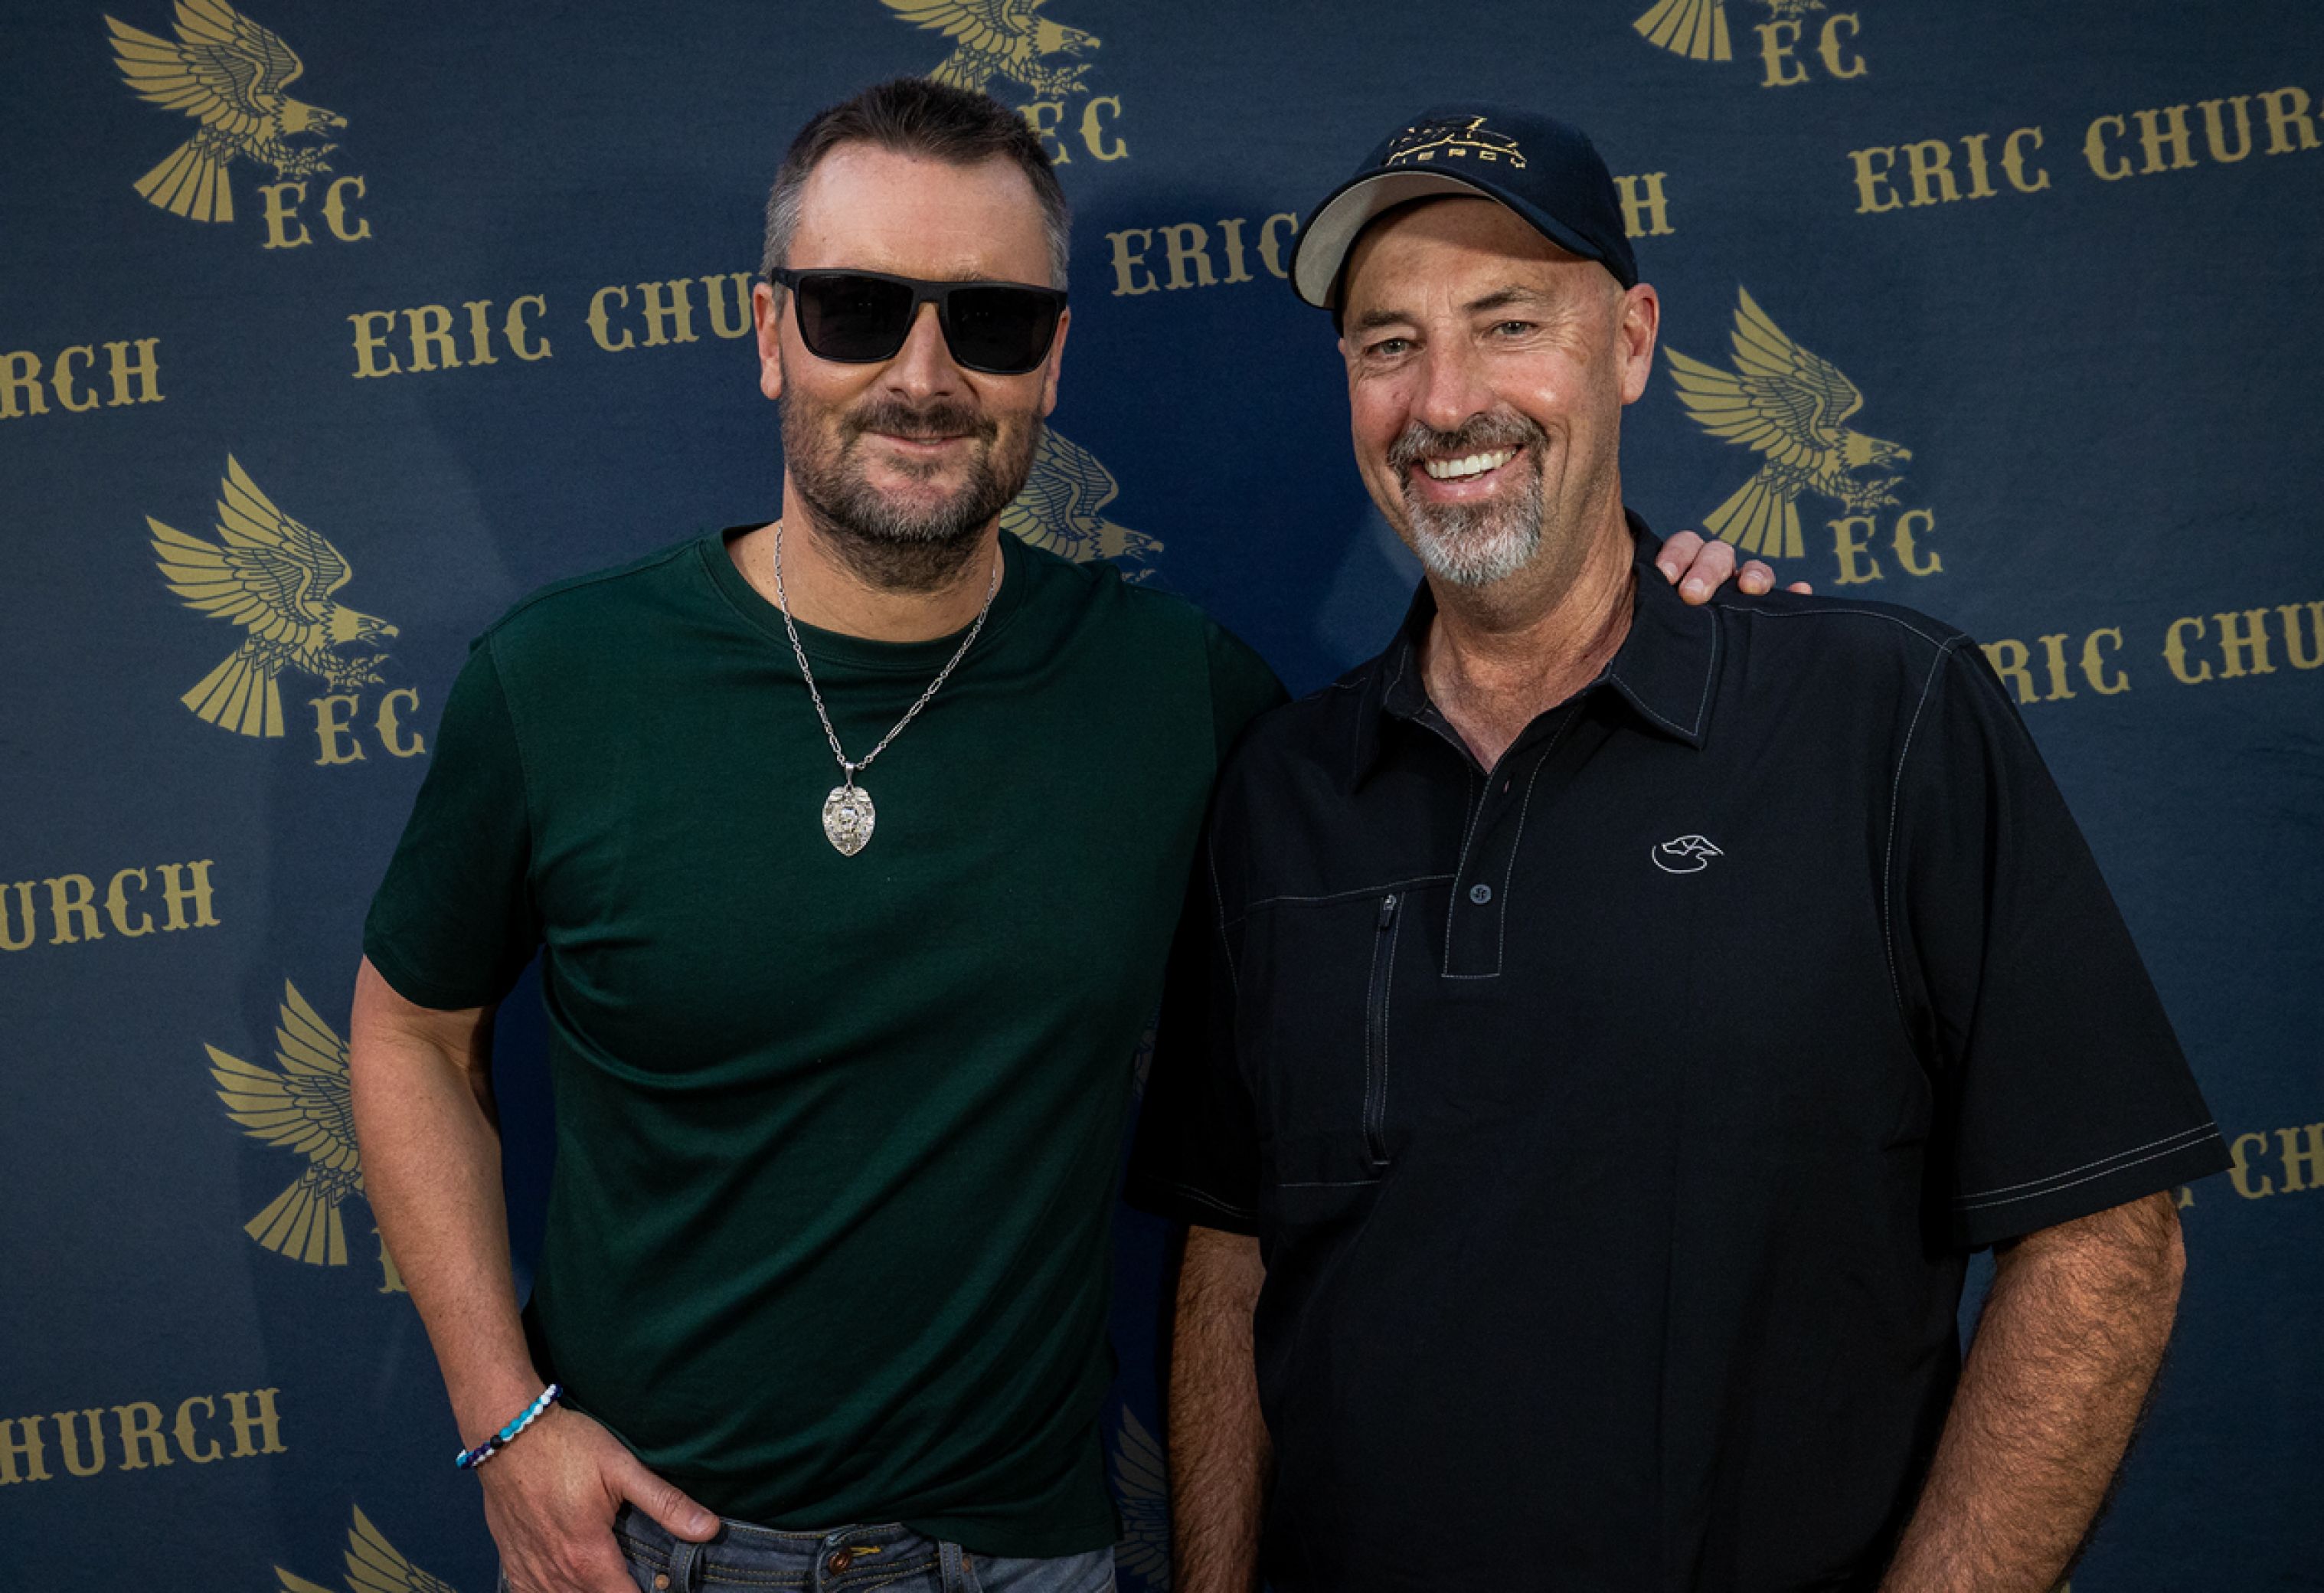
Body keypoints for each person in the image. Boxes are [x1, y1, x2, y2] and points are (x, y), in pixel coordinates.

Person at [348, 80, 1769, 1593]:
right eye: (855, 310)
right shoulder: (561, 680)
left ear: (1054, 359)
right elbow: (408, 1033)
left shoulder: (1184, 696)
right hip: (640, 1554)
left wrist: (1656, 614)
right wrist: (503, 1418)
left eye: (992, 322)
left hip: (1025, 1557)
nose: (924, 376)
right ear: (770, 333)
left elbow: (1476, 782)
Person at [1130, 104, 2231, 1593]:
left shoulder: (1882, 716)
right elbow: (1230, 1262)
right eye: (1390, 343)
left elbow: (2108, 1239)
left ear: (1633, 344)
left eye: (1509, 323)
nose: (1445, 399)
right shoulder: (1281, 787)